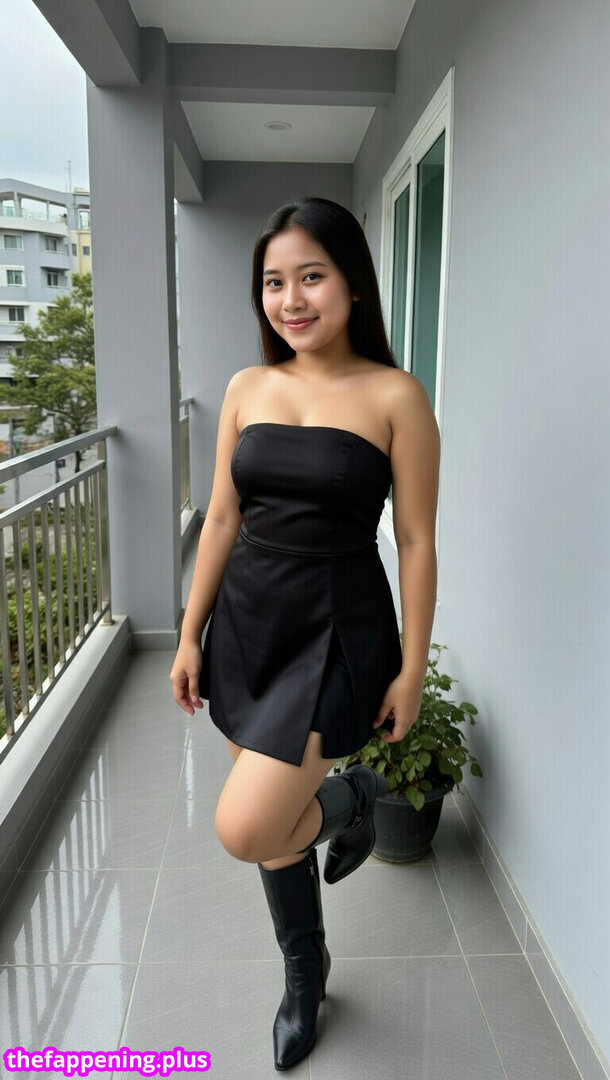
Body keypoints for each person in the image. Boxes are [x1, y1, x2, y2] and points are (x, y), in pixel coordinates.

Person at [170, 196, 440, 1071]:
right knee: (276, 825)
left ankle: (354, 800)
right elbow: (222, 517)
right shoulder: (247, 387)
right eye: (273, 282)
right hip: (250, 625)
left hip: (336, 630)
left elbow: (416, 540)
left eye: (311, 277)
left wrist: (411, 669)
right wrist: (189, 633)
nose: (290, 300)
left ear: (353, 283)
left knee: (249, 827)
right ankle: (305, 971)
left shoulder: (396, 395)